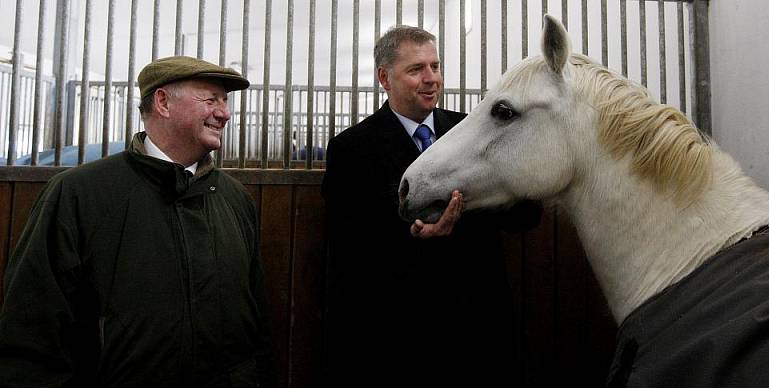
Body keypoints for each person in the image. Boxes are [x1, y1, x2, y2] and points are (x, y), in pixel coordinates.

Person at [0, 56, 274, 387]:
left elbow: (256, 318)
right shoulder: (79, 194)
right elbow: (32, 326)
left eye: (225, 101)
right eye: (211, 99)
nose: (224, 113)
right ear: (162, 102)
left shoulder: (234, 199)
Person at [322, 26, 543, 387]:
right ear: (384, 77)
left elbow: (526, 215)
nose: (431, 79)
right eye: (416, 69)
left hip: (477, 329)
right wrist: (411, 236)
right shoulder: (352, 149)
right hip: (400, 336)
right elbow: (349, 243)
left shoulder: (475, 130)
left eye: (436, 66)